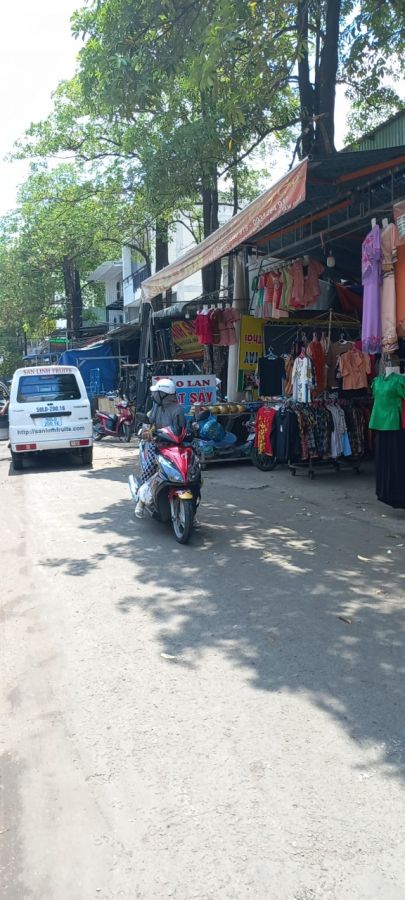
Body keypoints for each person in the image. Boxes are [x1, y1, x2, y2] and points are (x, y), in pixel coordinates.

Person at [135, 378, 186, 518]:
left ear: (163, 394)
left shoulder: (177, 410)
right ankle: (141, 501)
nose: (154, 395)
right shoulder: (156, 407)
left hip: (174, 446)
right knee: (149, 468)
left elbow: (181, 429)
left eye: (157, 393)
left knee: (189, 473)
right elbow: (149, 422)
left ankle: (191, 513)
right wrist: (146, 432)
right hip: (157, 444)